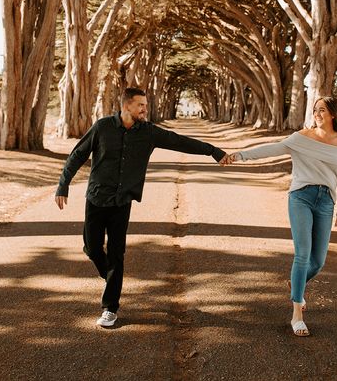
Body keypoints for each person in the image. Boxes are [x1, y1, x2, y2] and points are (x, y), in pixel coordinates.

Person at [55, 87, 226, 327]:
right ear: (126, 106)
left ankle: (110, 308)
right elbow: (77, 155)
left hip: (122, 202)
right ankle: (112, 279)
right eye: (141, 105)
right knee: (92, 248)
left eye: (146, 105)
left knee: (116, 253)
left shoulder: (148, 133)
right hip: (96, 199)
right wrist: (63, 185)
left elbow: (180, 142)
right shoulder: (102, 127)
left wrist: (213, 152)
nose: (145, 109)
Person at [220, 95, 337, 337]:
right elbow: (269, 149)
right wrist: (239, 155)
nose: (317, 114)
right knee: (302, 255)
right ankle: (297, 314)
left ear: (333, 113)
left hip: (326, 202)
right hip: (300, 197)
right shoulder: (301, 137)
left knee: (318, 262)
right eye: (315, 110)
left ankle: (296, 284)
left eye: (322, 110)